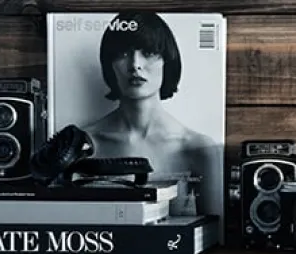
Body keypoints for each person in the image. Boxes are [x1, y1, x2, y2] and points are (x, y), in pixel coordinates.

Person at [81, 11, 220, 217]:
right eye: (123, 53)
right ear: (110, 64)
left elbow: (214, 239)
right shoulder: (83, 144)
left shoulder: (198, 147)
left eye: (148, 52)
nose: (135, 65)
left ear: (167, 61)